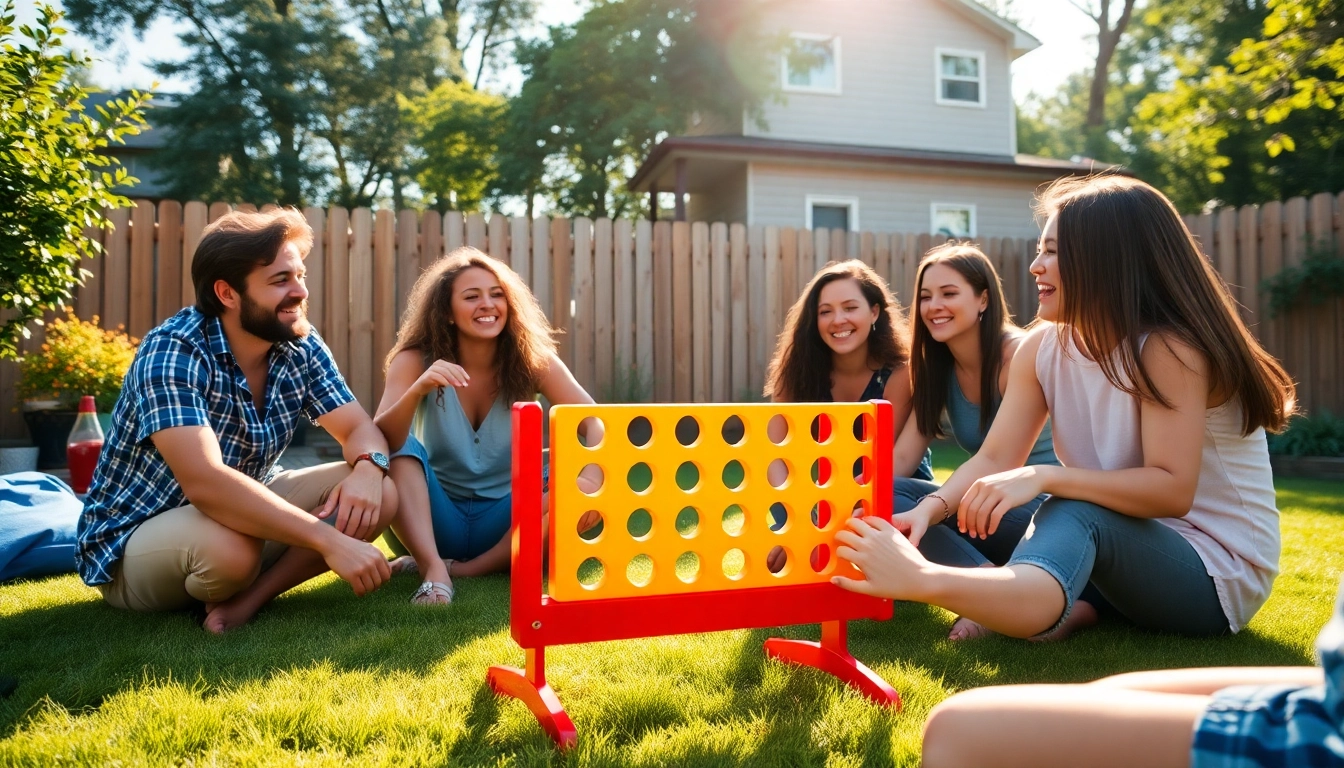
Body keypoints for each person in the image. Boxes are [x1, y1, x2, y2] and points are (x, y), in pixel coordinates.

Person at [832, 174, 1295, 641]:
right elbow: (995, 458)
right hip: (1109, 548)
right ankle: (1051, 599)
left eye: (1052, 251)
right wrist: (929, 511)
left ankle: (946, 585)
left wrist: (1046, 476)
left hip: (1209, 574)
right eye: (1040, 249)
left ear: (1106, 258)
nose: (1036, 266)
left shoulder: (1168, 350)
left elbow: (1170, 491)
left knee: (1071, 508)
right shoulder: (1043, 346)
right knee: (896, 496)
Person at [76, 209, 399, 634]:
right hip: (134, 539)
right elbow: (205, 481)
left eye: (300, 275)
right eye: (281, 280)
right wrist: (330, 540)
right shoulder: (173, 350)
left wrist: (370, 469)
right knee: (231, 552)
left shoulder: (298, 341)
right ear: (228, 294)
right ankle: (235, 579)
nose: (300, 291)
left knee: (380, 494)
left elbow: (360, 428)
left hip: (239, 508)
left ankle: (250, 599)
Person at [374, 247, 599, 605]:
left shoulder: (533, 360)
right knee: (402, 447)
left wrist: (592, 478)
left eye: (497, 295)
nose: (488, 305)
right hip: (431, 519)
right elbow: (380, 440)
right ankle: (434, 569)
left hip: (508, 520)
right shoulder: (415, 359)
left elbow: (595, 422)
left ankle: (468, 569)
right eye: (472, 296)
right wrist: (419, 388)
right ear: (447, 311)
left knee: (573, 473)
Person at [919, 577, 1342, 768]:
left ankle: (1025, 603)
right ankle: (1030, 601)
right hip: (1333, 690)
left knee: (954, 731)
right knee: (1105, 696)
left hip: (1328, 736)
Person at [891, 243, 1067, 641]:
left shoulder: (1018, 356)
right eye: (925, 296)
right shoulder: (936, 367)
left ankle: (995, 599)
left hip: (1048, 508)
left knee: (915, 505)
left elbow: (999, 460)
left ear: (983, 298)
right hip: (988, 502)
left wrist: (932, 508)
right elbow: (903, 456)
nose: (934, 305)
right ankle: (995, 583)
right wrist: (845, 503)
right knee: (886, 494)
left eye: (949, 293)